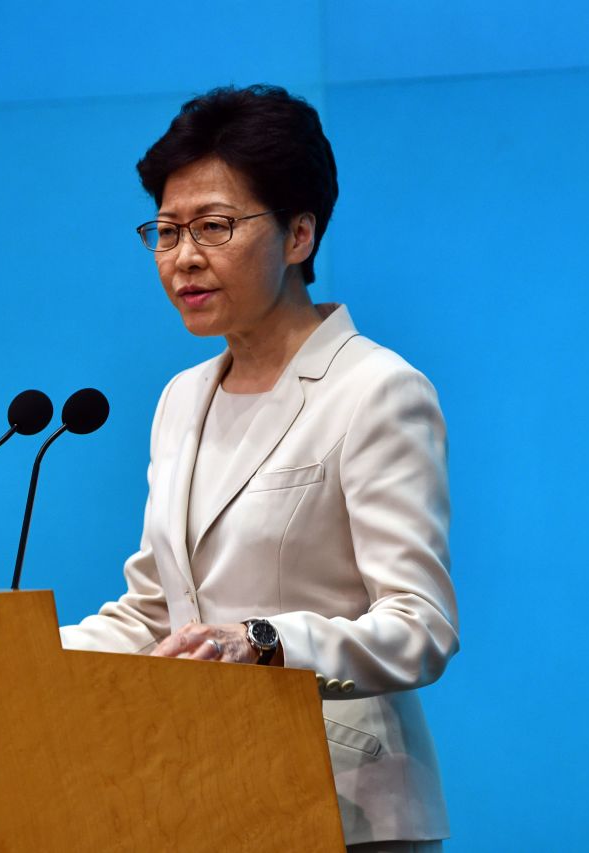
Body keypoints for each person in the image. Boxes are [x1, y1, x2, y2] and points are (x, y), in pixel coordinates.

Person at [59, 84, 459, 852]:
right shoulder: (182, 398)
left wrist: (264, 641)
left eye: (214, 226)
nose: (183, 258)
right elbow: (155, 613)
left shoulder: (375, 391)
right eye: (166, 231)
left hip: (347, 807)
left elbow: (420, 627)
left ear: (300, 234)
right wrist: (17, 658)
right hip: (202, 795)